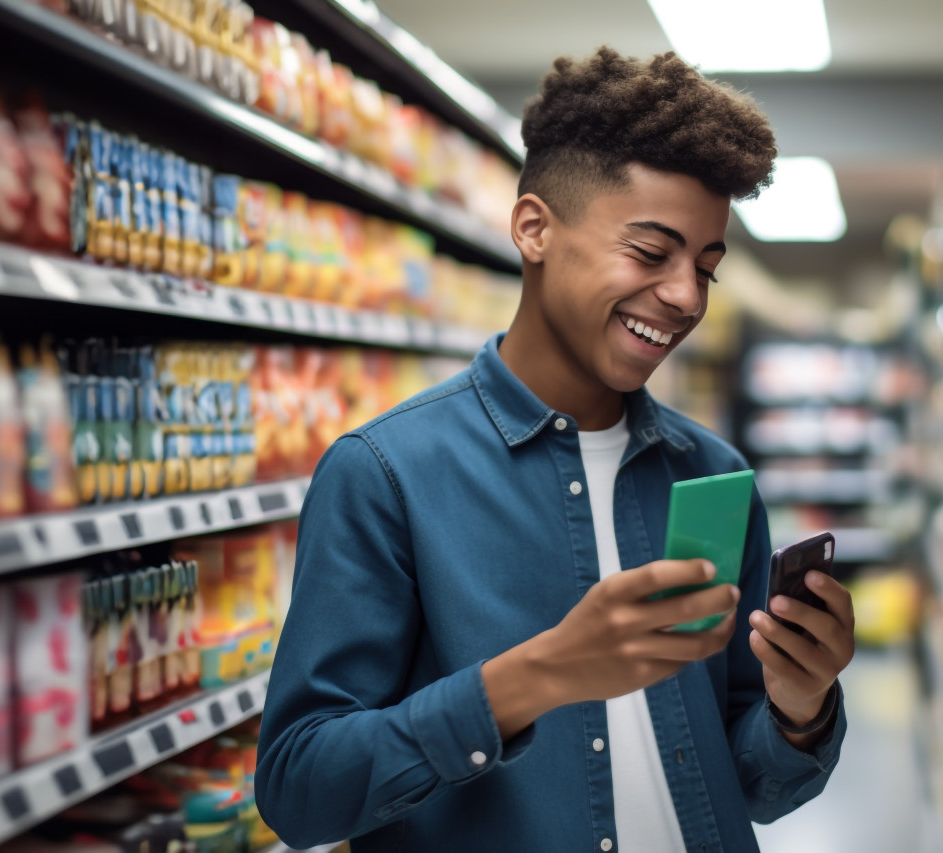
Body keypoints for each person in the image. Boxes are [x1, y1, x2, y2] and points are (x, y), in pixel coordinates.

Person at [255, 46, 853, 853]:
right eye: (650, 253)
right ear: (534, 229)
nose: (684, 296)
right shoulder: (387, 475)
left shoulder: (715, 478)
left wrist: (799, 705)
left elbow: (748, 780)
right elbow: (299, 789)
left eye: (706, 269)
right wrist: (538, 676)